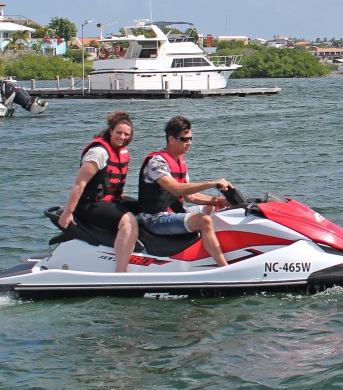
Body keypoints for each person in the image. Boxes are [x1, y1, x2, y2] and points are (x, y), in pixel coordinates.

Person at [137, 116, 234, 267]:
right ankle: (224, 267)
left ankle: (207, 254)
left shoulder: (180, 161)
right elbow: (175, 189)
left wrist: (218, 201)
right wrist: (211, 183)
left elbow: (190, 196)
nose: (189, 143)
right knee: (204, 221)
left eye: (190, 138)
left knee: (213, 207)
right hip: (155, 219)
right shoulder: (157, 162)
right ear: (171, 139)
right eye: (184, 139)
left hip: (175, 212)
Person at [58, 111, 139, 272]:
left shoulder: (122, 152)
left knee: (145, 207)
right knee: (128, 220)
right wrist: (68, 212)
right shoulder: (99, 153)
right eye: (118, 133)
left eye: (126, 134)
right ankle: (121, 272)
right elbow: (79, 184)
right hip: (90, 204)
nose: (122, 137)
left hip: (110, 201)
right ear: (111, 131)